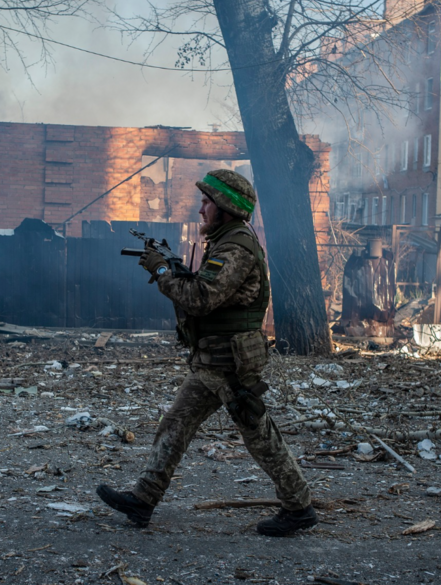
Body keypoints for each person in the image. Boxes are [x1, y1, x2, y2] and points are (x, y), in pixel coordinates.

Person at [96, 169, 317, 536]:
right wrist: (176, 270)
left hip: (229, 363)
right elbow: (208, 289)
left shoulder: (235, 247)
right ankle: (143, 499)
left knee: (258, 434)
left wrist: (164, 271)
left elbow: (202, 298)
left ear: (225, 208)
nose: (200, 210)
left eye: (206, 202)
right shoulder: (225, 241)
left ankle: (299, 507)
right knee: (176, 424)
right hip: (211, 360)